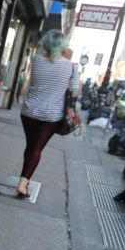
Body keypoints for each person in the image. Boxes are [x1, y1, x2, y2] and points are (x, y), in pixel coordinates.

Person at [16, 31, 79, 197]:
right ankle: (22, 184)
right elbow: (74, 91)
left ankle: (25, 181)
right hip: (51, 116)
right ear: (63, 46)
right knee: (36, 148)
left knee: (31, 147)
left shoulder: (36, 60)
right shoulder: (71, 66)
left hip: (29, 112)